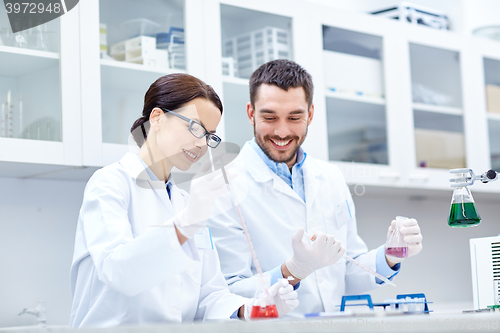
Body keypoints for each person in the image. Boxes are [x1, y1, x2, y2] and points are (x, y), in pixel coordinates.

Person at [69, 73, 298, 327]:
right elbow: (119, 272)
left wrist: (250, 308)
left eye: (209, 135)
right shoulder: (110, 183)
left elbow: (209, 294)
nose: (201, 143)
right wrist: (186, 223)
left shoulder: (187, 202)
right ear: (157, 118)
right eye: (195, 127)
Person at [207, 60, 423, 316]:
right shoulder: (222, 186)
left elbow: (347, 273)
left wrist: (389, 255)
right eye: (269, 117)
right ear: (251, 113)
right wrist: (292, 271)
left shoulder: (330, 177)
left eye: (295, 117)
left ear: (310, 114)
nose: (282, 131)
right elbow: (229, 294)